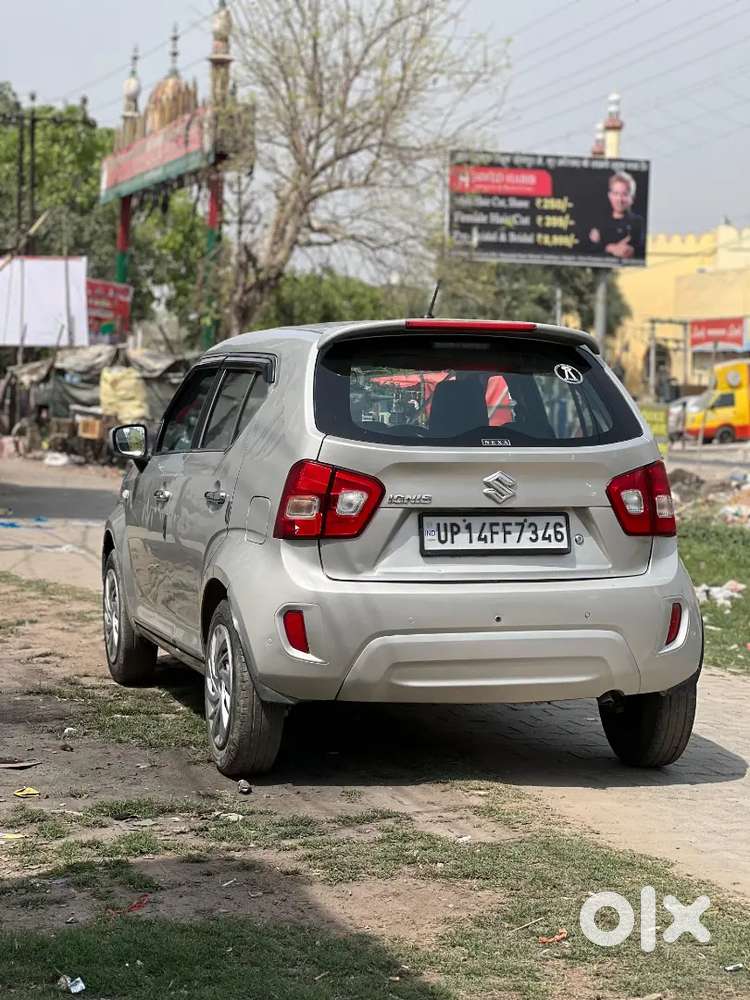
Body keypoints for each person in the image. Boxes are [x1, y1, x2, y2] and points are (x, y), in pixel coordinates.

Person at [589, 171, 644, 260]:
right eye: (615, 194)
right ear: (609, 195)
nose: (619, 199)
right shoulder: (599, 222)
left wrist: (631, 251)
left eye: (624, 194)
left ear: (632, 198)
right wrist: (610, 248)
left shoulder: (639, 223)